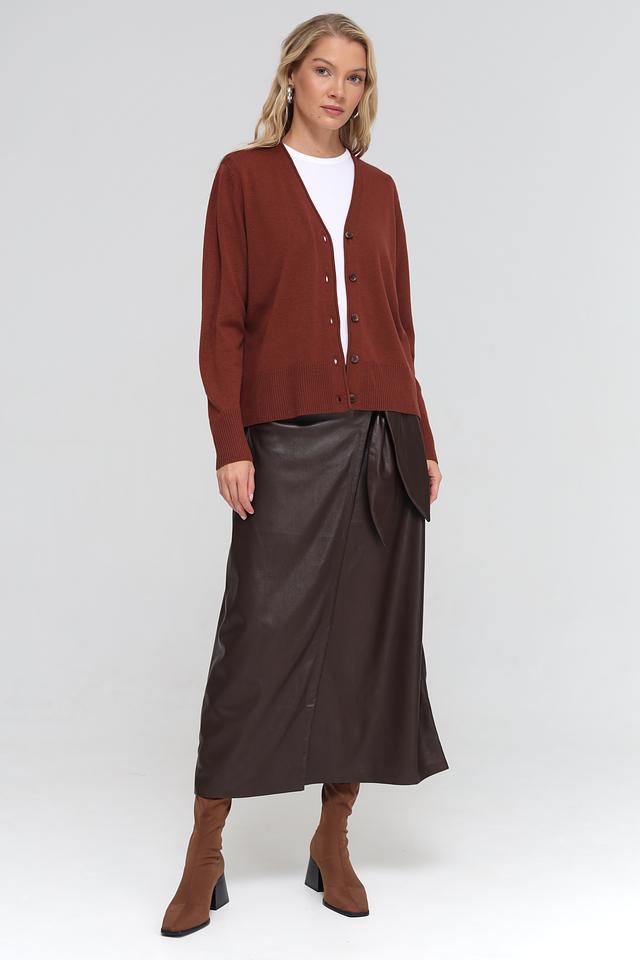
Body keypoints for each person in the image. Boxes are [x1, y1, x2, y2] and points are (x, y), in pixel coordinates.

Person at [161, 13, 448, 937]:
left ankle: (334, 837)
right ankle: (205, 851)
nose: (338, 89)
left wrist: (423, 435)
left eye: (354, 77)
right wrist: (230, 440)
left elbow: (399, 327)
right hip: (283, 436)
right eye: (323, 71)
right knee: (257, 637)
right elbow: (222, 323)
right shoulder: (243, 178)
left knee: (363, 640)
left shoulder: (382, 191)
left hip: (384, 434)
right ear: (292, 76)